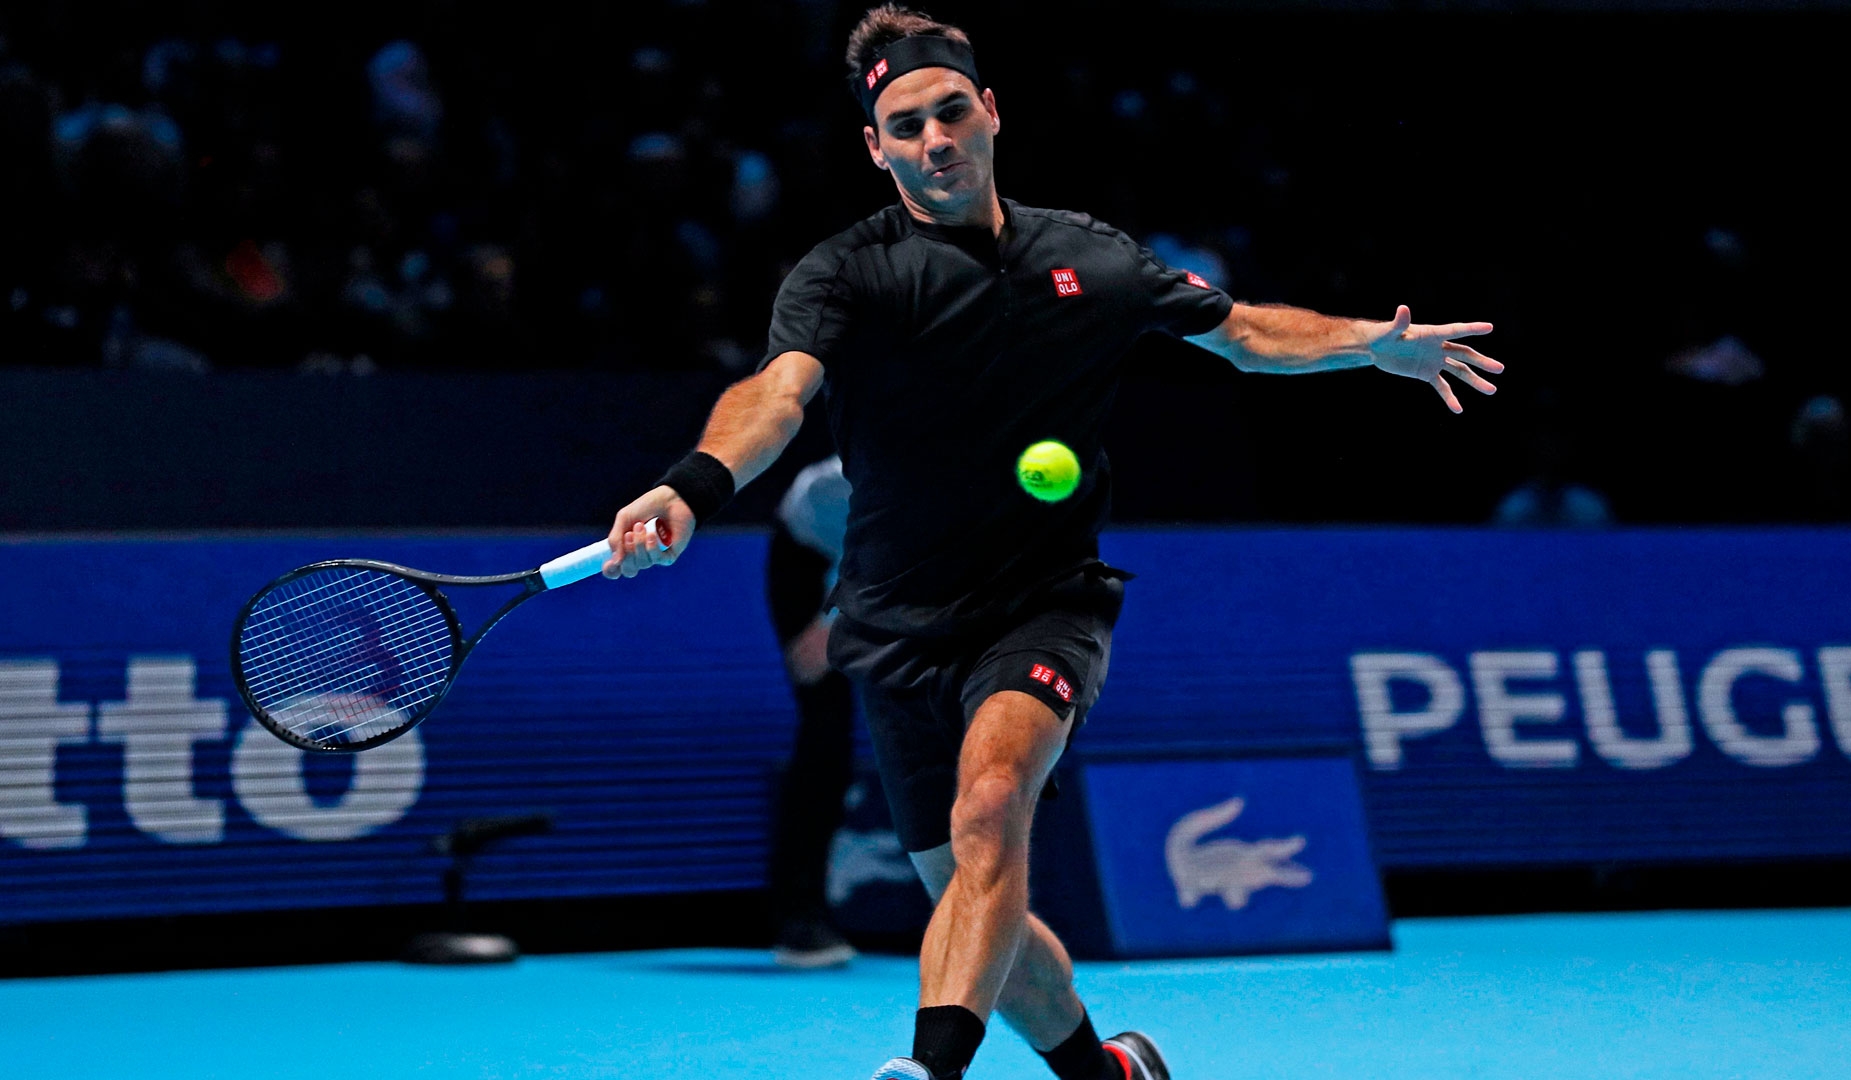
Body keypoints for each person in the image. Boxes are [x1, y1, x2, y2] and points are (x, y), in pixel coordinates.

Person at [600, 8, 1502, 1079]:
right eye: (906, 127)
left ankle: (929, 1070)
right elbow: (777, 394)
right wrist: (691, 484)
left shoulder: (1088, 257)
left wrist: (1370, 347)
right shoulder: (846, 275)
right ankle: (1104, 1071)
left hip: (1044, 602)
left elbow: (1245, 332)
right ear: (876, 149)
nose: (935, 139)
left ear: (990, 112)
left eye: (950, 111)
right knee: (975, 902)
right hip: (893, 623)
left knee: (990, 809)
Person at [764, 454, 860, 969]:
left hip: (901, 565)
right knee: (825, 737)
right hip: (813, 555)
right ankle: (799, 916)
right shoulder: (837, 486)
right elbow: (878, 544)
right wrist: (831, 621)